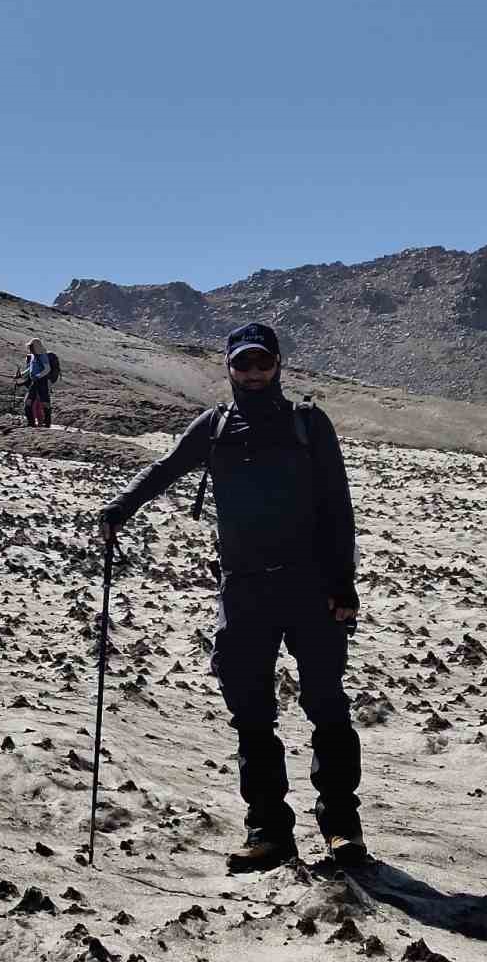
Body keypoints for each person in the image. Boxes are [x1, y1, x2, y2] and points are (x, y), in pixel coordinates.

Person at [97, 322, 363, 873]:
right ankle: (268, 832)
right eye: (243, 364)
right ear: (229, 368)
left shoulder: (309, 424)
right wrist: (119, 509)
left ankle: (341, 827)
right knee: (250, 712)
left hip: (311, 586)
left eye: (262, 363)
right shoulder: (215, 425)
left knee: (327, 705)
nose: (253, 373)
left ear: (279, 365)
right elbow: (165, 469)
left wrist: (343, 585)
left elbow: (338, 506)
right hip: (244, 588)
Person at [22, 339, 53, 428]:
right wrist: (22, 374)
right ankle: (31, 423)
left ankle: (46, 424)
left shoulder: (42, 356)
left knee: (44, 403)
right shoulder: (33, 356)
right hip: (34, 381)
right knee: (28, 402)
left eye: (31, 347)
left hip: (41, 381)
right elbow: (30, 368)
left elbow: (47, 369)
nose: (30, 349)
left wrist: (38, 376)